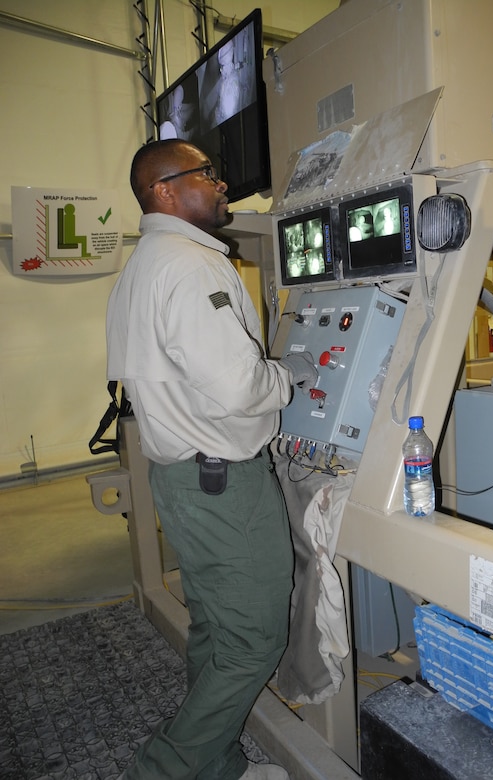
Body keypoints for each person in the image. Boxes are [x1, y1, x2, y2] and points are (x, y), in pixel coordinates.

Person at [106, 138, 318, 780]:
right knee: (254, 642)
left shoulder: (144, 263)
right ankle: (166, 769)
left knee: (216, 629)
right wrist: (288, 377)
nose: (222, 185)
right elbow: (238, 386)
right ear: (164, 190)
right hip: (224, 486)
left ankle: (217, 764)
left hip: (181, 476)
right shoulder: (192, 266)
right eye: (207, 175)